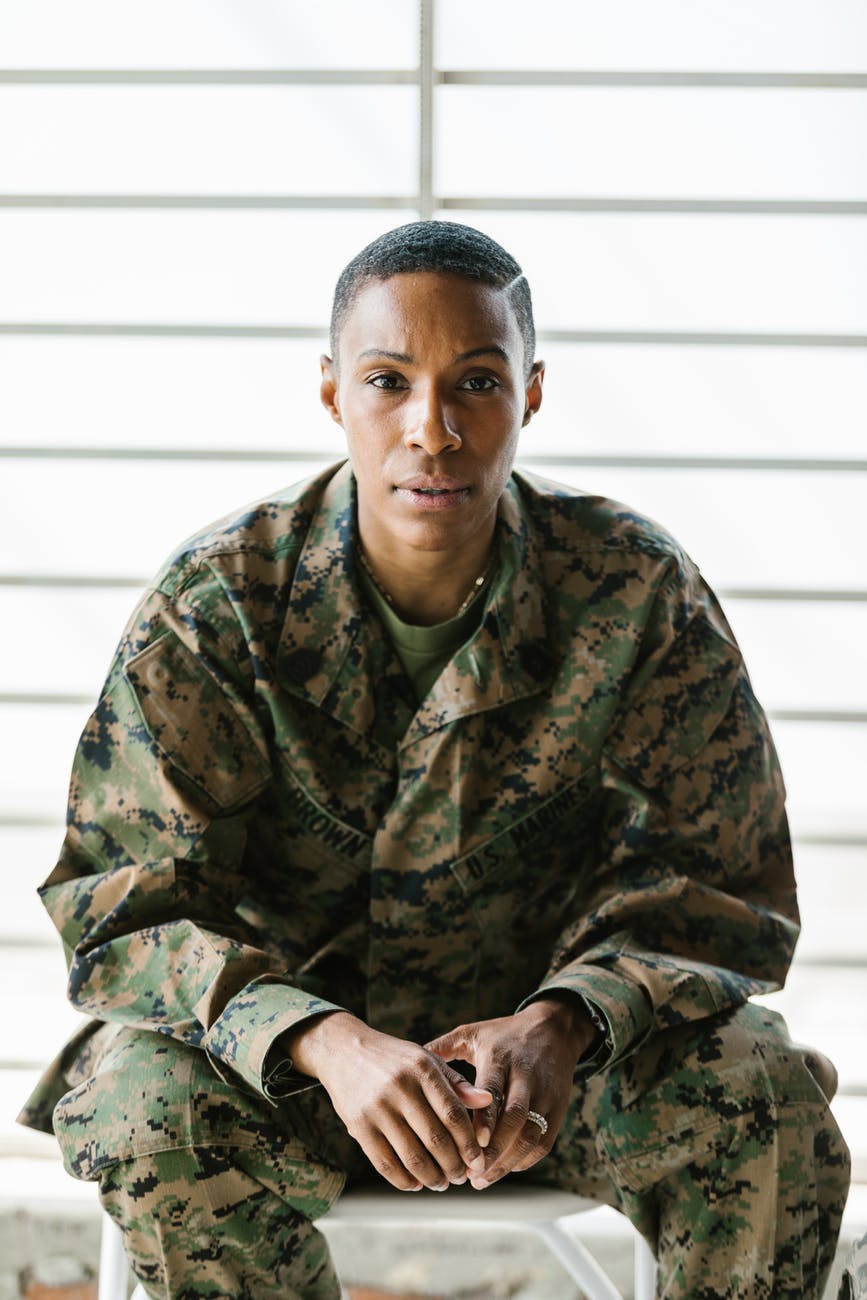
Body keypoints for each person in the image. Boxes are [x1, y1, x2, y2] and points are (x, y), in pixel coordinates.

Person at [19, 221, 850, 1299]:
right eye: (387, 380)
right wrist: (322, 1040)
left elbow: (716, 888)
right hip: (296, 1078)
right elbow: (127, 907)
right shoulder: (216, 607)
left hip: (555, 1081)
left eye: (477, 382)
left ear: (532, 393)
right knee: (141, 1102)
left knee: (767, 1095)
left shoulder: (636, 592)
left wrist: (564, 1021)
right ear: (330, 394)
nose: (433, 428)